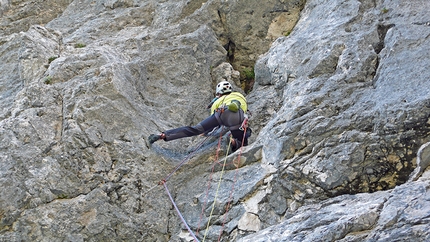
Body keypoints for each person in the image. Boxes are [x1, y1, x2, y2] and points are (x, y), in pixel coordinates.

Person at [148, 81, 251, 152]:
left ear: (218, 93)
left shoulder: (217, 101)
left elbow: (214, 125)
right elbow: (245, 108)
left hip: (221, 112)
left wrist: (205, 133)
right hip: (238, 116)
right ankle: (233, 142)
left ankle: (163, 135)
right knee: (243, 141)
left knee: (194, 129)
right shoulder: (239, 95)